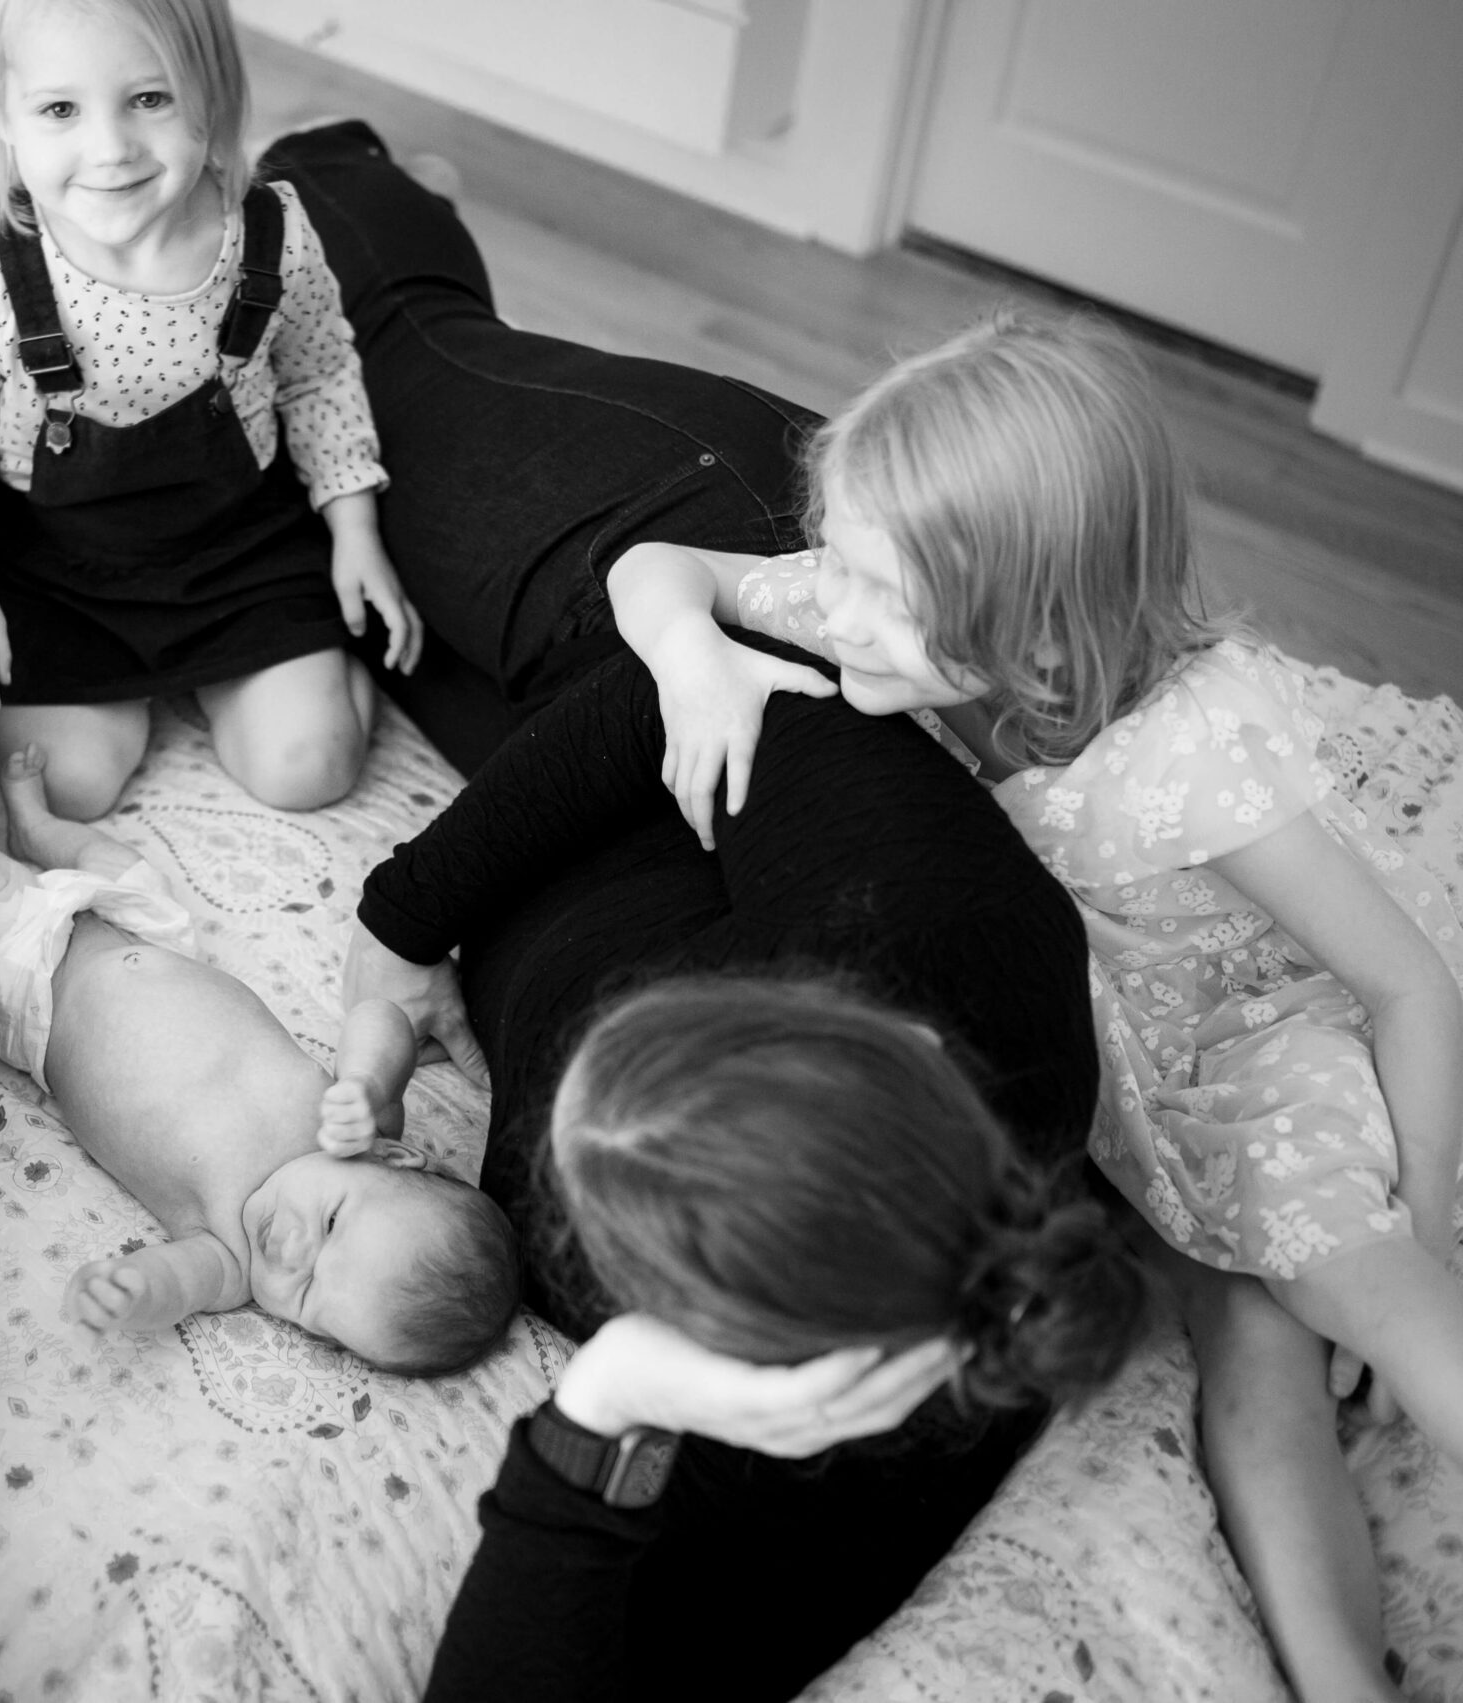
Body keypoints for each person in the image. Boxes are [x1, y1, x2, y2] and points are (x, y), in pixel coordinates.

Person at [251, 122, 1143, 1699]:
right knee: (396, 351)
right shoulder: (941, 925)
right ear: (798, 1004)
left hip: (564, 794)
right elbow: (638, 697)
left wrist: (604, 1405)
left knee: (301, 518)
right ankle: (345, 160)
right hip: (665, 565)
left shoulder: (843, 1438)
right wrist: (396, 937)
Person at [605, 312, 1463, 1702]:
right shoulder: (896, 614)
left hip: (1281, 1024)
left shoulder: (1189, 750)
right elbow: (656, 565)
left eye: (880, 590)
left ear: (1038, 636)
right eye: (845, 561)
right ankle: (1341, 1679)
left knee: (1323, 1267)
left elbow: (1402, 983)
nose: (838, 607)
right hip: (1142, 1071)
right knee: (1245, 1340)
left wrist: (1408, 1244)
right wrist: (686, 655)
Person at [0, 0, 421, 822]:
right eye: (61, 109)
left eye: (151, 99)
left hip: (240, 552)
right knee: (61, 783)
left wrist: (355, 532)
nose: (110, 150)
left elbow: (321, 375)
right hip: (65, 572)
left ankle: (289, 666)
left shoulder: (269, 235)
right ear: (2, 109)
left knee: (309, 765)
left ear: (211, 92)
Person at [0, 728, 516, 1374]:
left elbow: (175, 1284)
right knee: (114, 860)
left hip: (38, 991)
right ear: (394, 1156)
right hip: (150, 932)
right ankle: (36, 825)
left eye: (312, 1298)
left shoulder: (230, 1256)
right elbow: (382, 1017)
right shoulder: (353, 1122)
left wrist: (129, 1290)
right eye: (329, 1223)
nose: (291, 1253)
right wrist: (370, 1080)